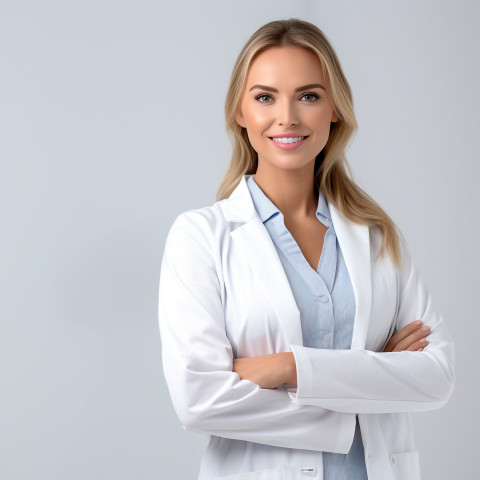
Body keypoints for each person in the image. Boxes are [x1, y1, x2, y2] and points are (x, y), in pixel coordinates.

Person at [158, 18, 455, 480]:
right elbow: (199, 401)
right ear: (240, 112)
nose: (288, 117)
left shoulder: (376, 235)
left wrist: (286, 367)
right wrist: (373, 381)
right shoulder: (201, 237)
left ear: (334, 109)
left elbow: (436, 378)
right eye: (264, 97)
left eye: (309, 96)